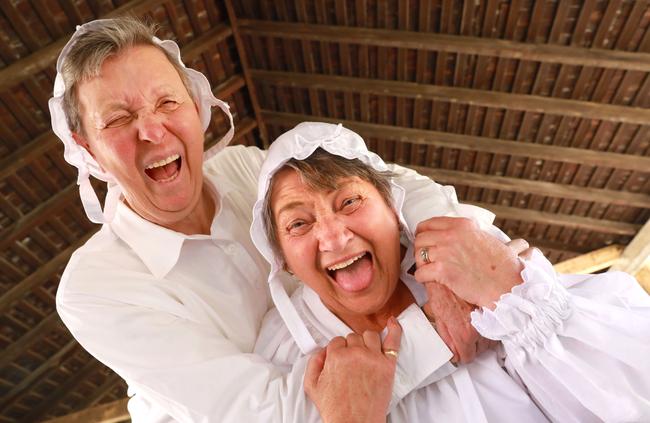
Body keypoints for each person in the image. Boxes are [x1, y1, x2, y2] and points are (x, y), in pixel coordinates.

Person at [51, 17, 507, 422]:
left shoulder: (246, 169)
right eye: (117, 118)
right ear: (87, 148)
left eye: (167, 102)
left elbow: (395, 185)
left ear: (196, 106)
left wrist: (445, 272)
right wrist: (435, 332)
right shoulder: (96, 288)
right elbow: (269, 412)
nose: (152, 130)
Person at [251, 121, 650, 422]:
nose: (334, 238)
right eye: (298, 224)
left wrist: (514, 293)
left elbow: (629, 389)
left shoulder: (472, 261)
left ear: (392, 208)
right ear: (282, 257)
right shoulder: (282, 352)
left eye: (350, 201)